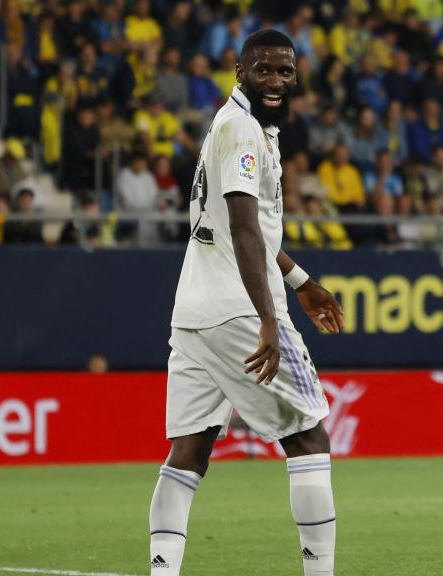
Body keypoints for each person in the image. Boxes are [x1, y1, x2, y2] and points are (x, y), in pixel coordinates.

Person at [149, 30, 344, 576]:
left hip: (194, 314)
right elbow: (242, 228)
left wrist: (301, 281)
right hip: (238, 309)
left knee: (188, 455)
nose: (276, 80)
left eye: (286, 71)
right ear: (240, 72)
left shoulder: (239, 125)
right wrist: (267, 320)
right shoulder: (241, 130)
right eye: (264, 70)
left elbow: (251, 227)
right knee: (308, 437)